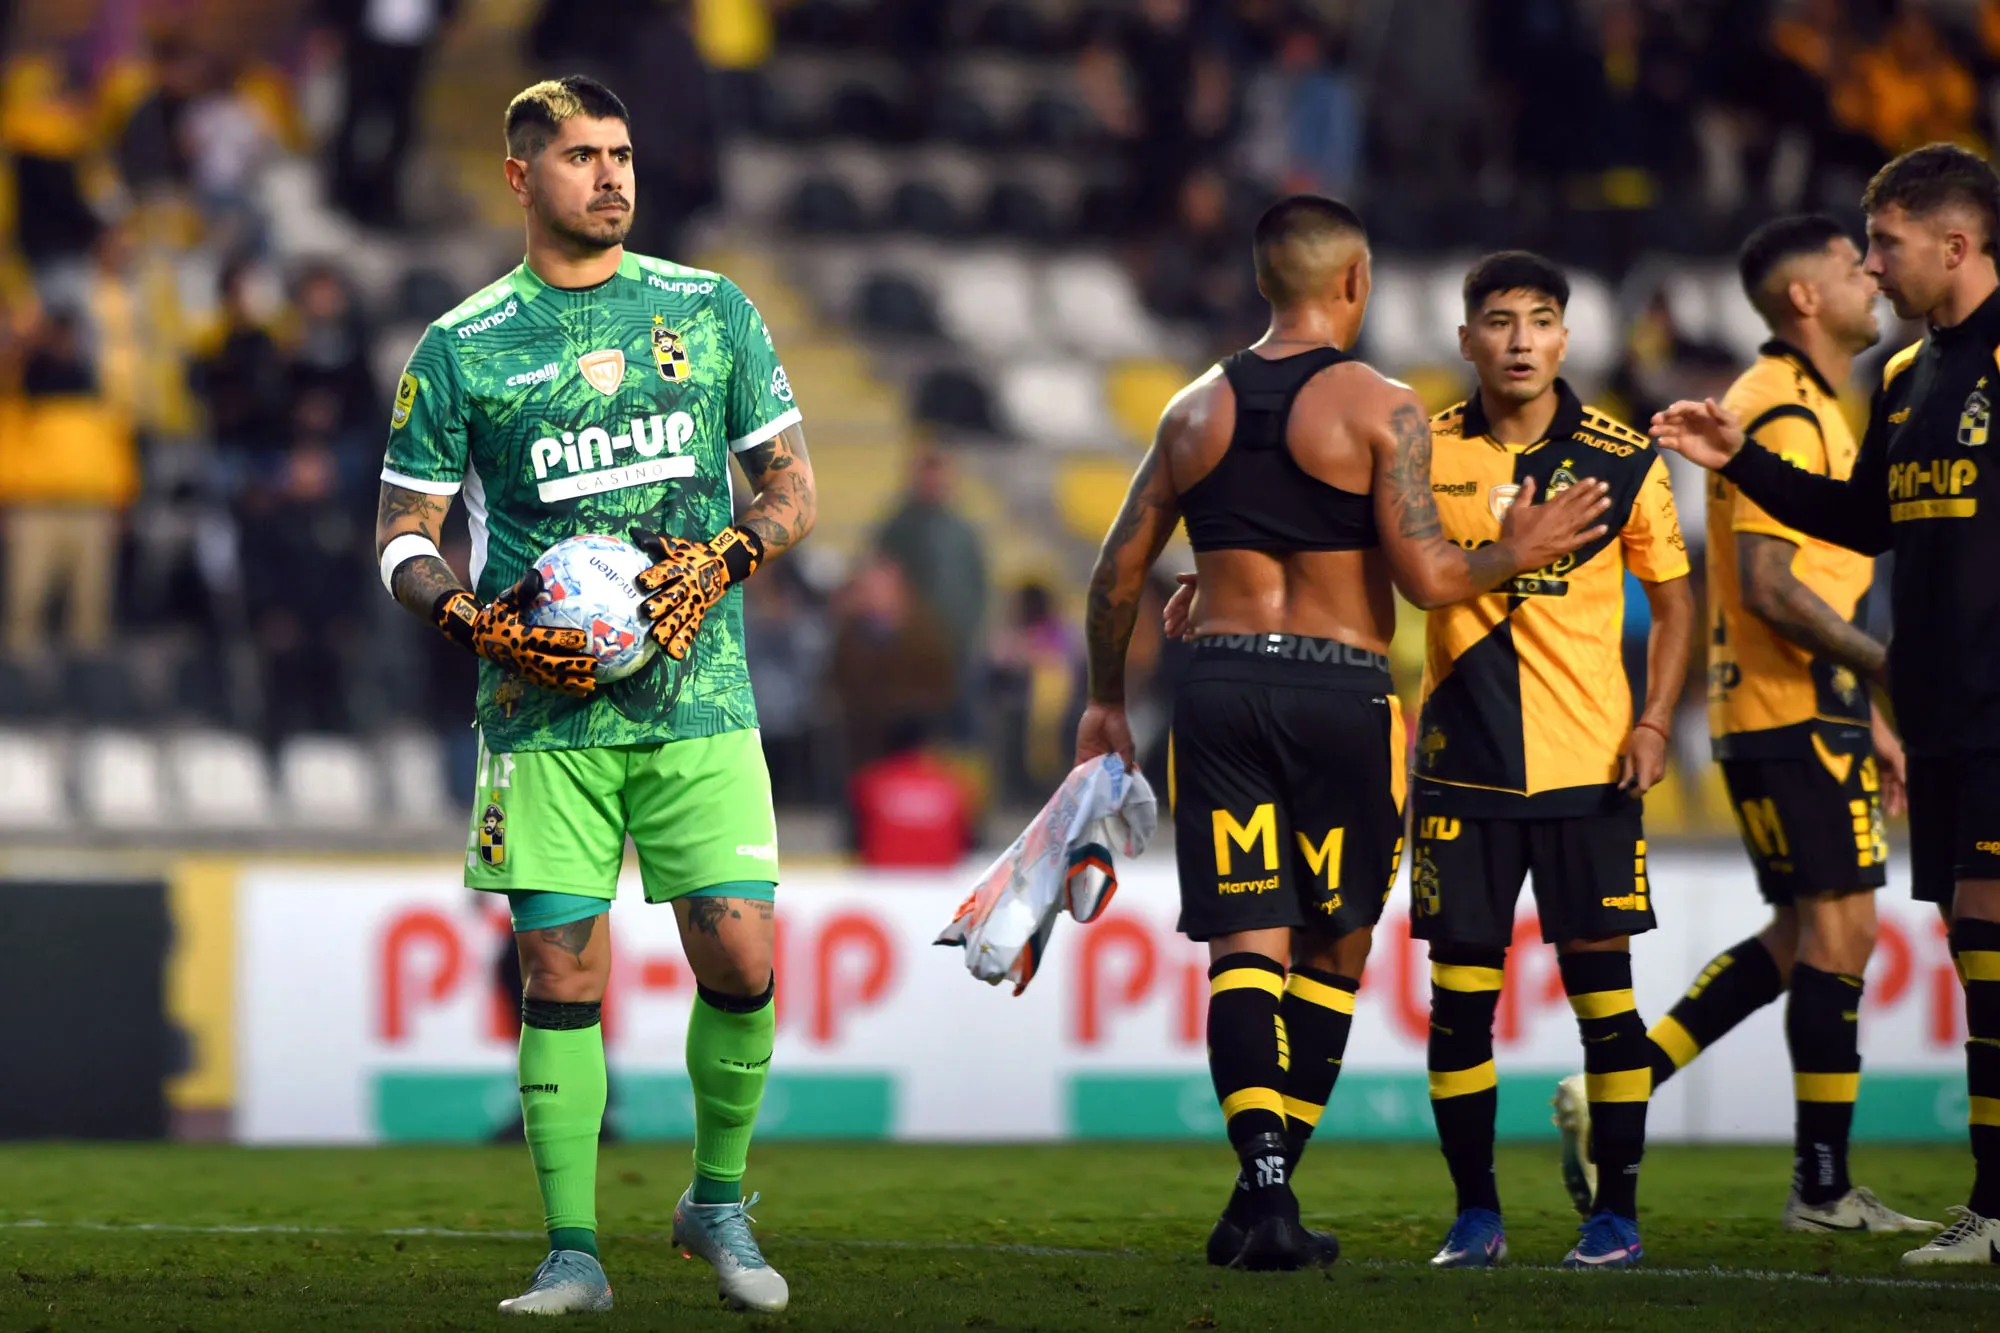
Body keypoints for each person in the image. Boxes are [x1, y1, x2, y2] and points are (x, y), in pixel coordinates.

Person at [1080, 195, 1612, 1272]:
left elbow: (1115, 575)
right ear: (1355, 282)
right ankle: (1270, 1194)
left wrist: (1102, 697)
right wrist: (1527, 542)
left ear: (1262, 282)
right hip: (1342, 694)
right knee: (1331, 950)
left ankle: (1256, 1201)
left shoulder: (1190, 408)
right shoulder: (1383, 407)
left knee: (1243, 949)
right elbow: (1426, 578)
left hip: (1219, 688)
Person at [372, 75, 813, 1314]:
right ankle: (572, 1251)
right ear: (521, 178)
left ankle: (715, 1204)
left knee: (740, 945)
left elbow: (788, 489)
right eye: (580, 157)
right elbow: (402, 534)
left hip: (700, 697)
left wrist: (725, 557)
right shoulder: (461, 347)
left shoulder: (710, 310)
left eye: (621, 153)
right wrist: (470, 619)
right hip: (538, 713)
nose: (610, 175)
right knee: (560, 972)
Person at [1652, 143, 2000, 1266]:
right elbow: (1856, 522)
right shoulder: (1899, 378)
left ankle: (1995, 1207)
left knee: (1989, 941)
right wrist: (1738, 460)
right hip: (1941, 709)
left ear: (1955, 243)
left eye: (1886, 245)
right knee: (1973, 945)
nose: (1874, 264)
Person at [1626, 216, 1932, 1236]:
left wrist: (1866, 710)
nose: (1871, 278)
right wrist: (1882, 674)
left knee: (1805, 934)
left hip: (1804, 704)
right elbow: (1765, 584)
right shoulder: (1785, 413)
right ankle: (1820, 1186)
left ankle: (1617, 1088)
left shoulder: (1804, 402)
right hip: (1788, 706)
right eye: (1855, 266)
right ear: (1804, 297)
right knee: (1842, 932)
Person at [1393, 253, 1693, 1271]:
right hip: (1462, 773)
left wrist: (1652, 721)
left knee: (1604, 1002)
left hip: (1591, 768)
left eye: (1540, 319)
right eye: (1497, 320)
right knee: (1460, 1002)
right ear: (1465, 338)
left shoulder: (1623, 456)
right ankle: (1473, 1214)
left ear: (1566, 338)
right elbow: (1381, 571)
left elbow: (1678, 595)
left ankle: (1614, 1213)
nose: (1519, 338)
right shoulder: (1419, 451)